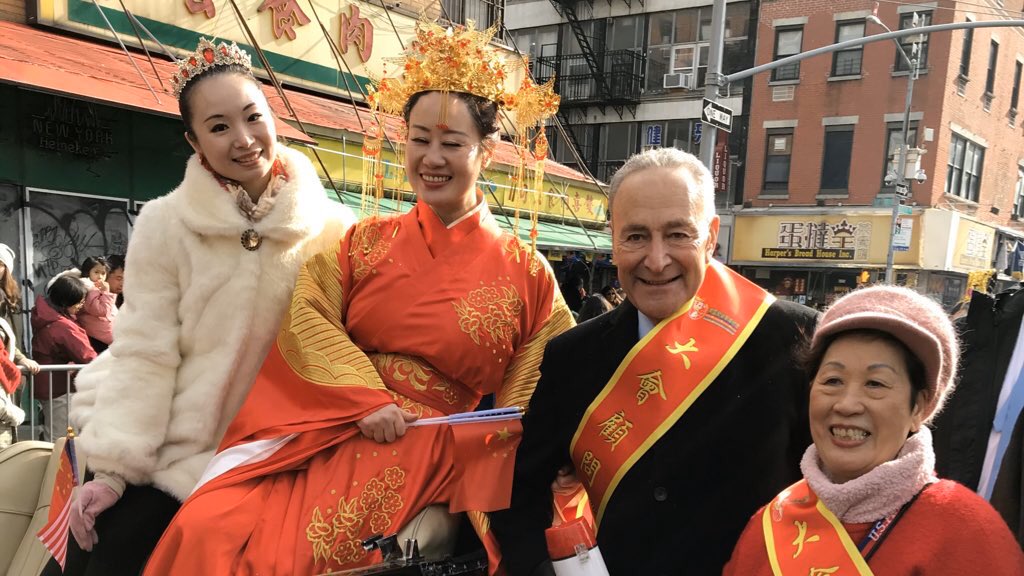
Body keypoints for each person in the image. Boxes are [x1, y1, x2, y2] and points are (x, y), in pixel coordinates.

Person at [143, 22, 571, 575]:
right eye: (419, 139)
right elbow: (309, 313)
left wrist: (521, 450)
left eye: (451, 144)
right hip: (336, 420)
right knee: (207, 525)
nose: (432, 158)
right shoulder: (363, 241)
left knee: (294, 554)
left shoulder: (528, 271)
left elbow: (545, 377)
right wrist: (364, 398)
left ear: (485, 152)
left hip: (431, 444)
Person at [46, 38, 355, 576]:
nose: (244, 140)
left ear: (272, 114)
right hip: (169, 451)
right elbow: (144, 352)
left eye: (253, 117)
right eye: (218, 127)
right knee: (108, 551)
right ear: (193, 140)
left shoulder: (334, 230)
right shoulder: (165, 224)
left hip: (275, 455)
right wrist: (114, 472)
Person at [490, 147, 819, 576]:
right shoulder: (572, 356)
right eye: (636, 236)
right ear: (613, 239)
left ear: (711, 236)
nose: (657, 260)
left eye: (678, 234)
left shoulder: (794, 338)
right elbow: (516, 492)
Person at [723, 286, 1024, 574]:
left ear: (919, 407)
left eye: (875, 384)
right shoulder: (771, 521)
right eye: (833, 380)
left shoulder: (967, 531)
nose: (847, 404)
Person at [31, 273, 97, 442]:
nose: (81, 306)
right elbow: (87, 355)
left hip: (50, 385)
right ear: (66, 300)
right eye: (79, 302)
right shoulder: (62, 326)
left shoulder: (45, 316)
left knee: (59, 436)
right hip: (59, 389)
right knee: (61, 439)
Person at [0, 243, 40, 376]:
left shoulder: (12, 295)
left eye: (0, 264)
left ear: (7, 268)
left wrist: (22, 357)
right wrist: (20, 358)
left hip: (12, 363)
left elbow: (16, 332)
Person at [76, 256, 117, 353]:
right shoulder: (88, 290)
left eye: (103, 273)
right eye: (96, 272)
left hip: (107, 336)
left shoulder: (97, 289)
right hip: (97, 339)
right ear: (87, 272)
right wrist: (106, 292)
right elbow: (102, 311)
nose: (100, 277)